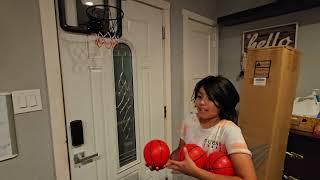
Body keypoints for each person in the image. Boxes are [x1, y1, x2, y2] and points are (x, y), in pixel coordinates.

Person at [165, 75, 257, 180]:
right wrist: (162, 160)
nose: (202, 102)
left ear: (223, 103)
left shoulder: (230, 130)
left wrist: (196, 172)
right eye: (199, 96)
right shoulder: (189, 121)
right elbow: (181, 152)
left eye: (210, 98)